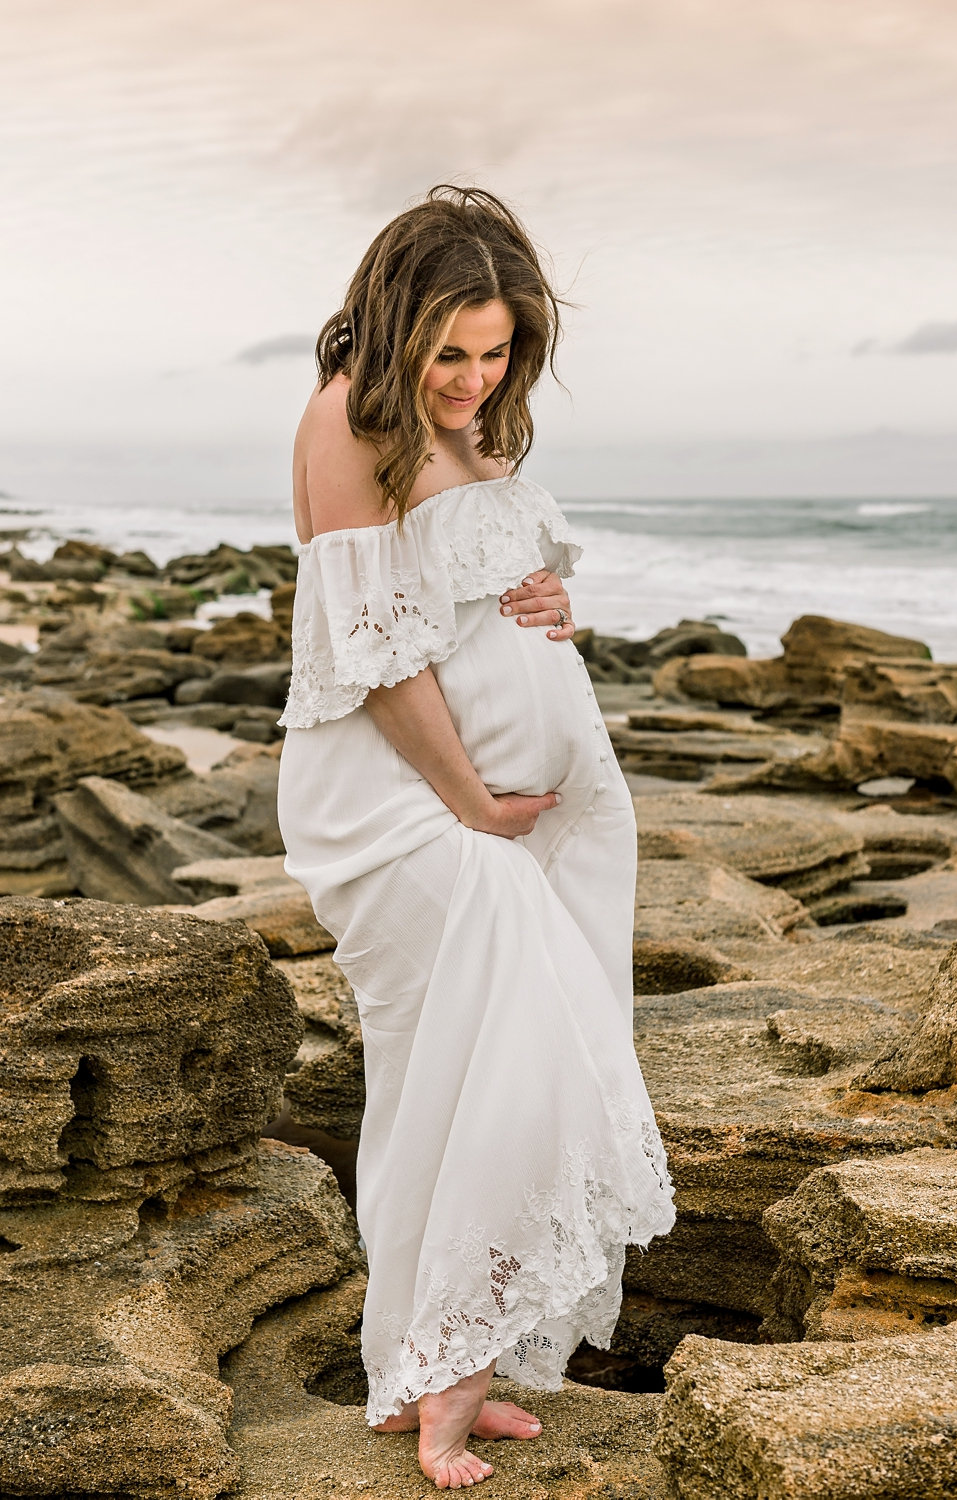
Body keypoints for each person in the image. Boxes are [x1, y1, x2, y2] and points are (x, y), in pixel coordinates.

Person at [277, 185, 675, 1490]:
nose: (471, 377)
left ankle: (418, 1360)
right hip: (405, 802)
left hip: (524, 807)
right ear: (393, 328)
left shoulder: (484, 431)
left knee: (432, 1085)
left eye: (497, 350)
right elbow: (374, 652)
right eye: (448, 352)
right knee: (520, 1060)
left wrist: (549, 593)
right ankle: (450, 1373)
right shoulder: (348, 419)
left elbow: (477, 595)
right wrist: (470, 806)